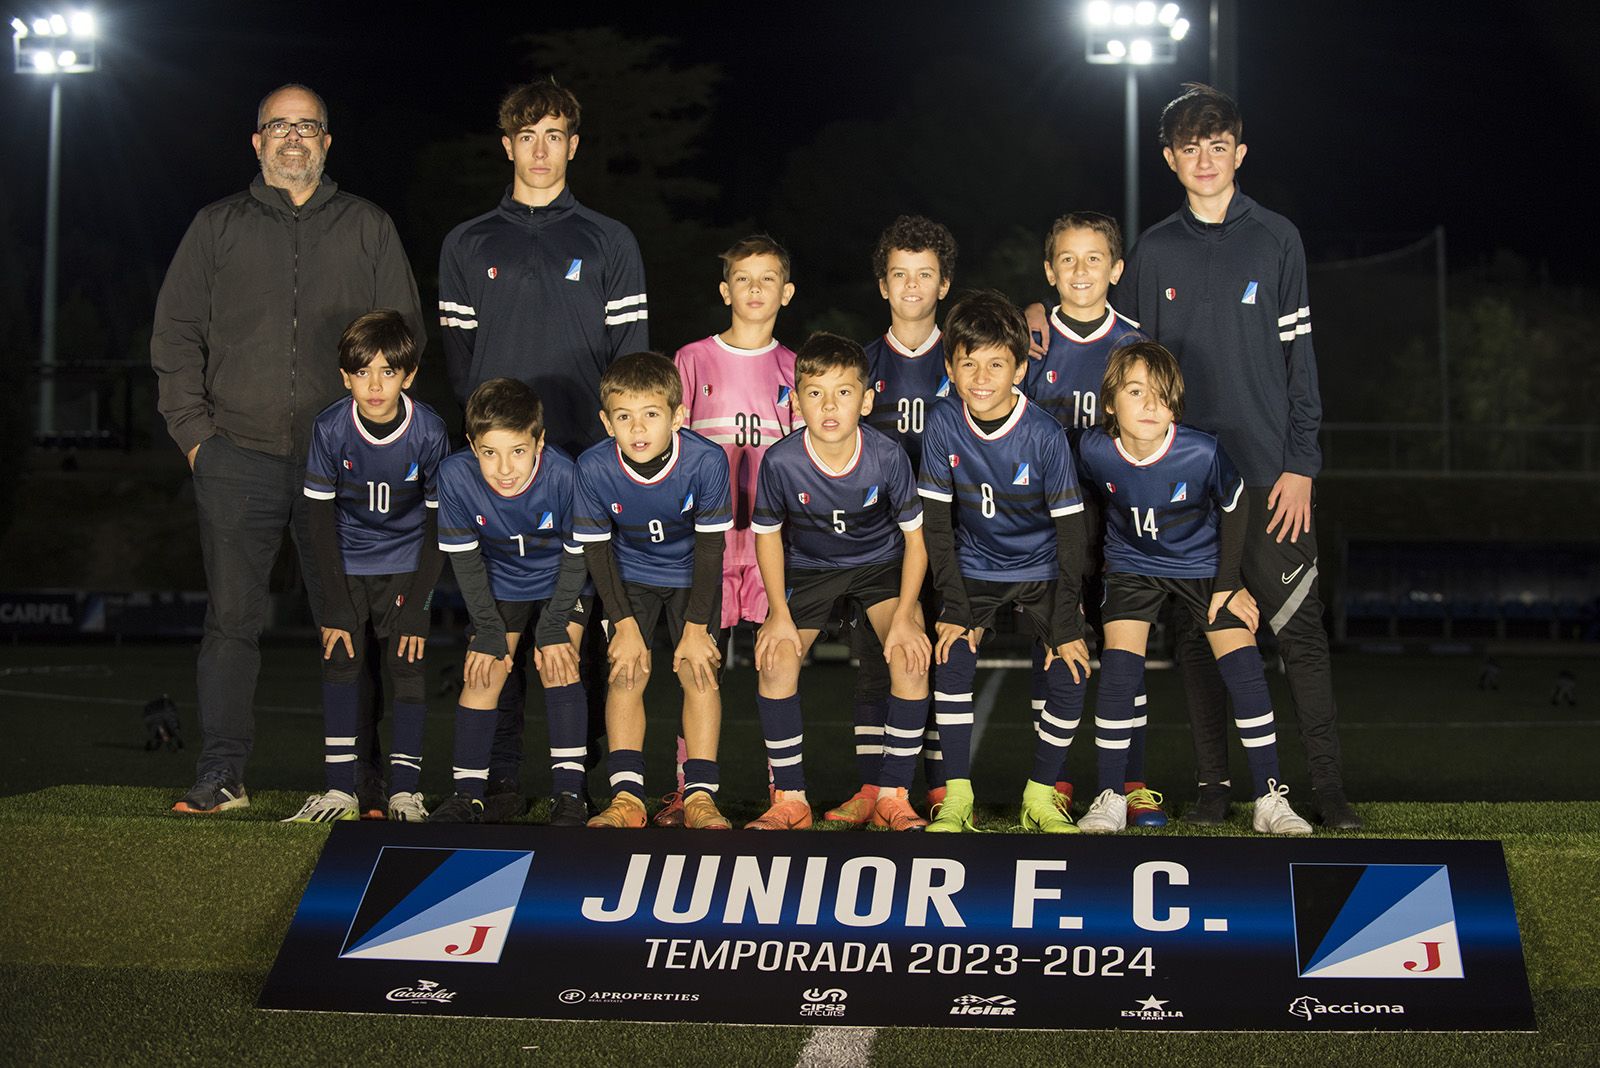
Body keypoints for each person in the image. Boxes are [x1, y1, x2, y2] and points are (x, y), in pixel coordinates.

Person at [152, 84, 424, 813]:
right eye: (280, 126)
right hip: (235, 457)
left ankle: (364, 780)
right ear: (257, 140)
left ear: (328, 142)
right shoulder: (216, 227)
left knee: (356, 621)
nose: (293, 138)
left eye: (308, 127)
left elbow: (403, 338)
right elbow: (175, 336)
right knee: (232, 621)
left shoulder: (368, 226)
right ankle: (222, 774)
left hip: (344, 467)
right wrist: (195, 439)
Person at [1113, 83, 1361, 830]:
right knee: (1200, 635)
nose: (1206, 160)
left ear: (1240, 152)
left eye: (1218, 146)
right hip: (1186, 487)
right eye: (1190, 148)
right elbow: (1135, 372)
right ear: (1170, 159)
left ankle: (1325, 791)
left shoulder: (1277, 237)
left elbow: (1300, 361)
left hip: (1268, 477)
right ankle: (1217, 788)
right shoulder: (1154, 249)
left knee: (1300, 632)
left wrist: (1301, 462)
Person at [437, 78, 649, 817]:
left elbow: (631, 364)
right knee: (495, 627)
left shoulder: (608, 240)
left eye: (554, 135)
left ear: (574, 146)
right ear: (507, 145)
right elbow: (460, 365)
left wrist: (609, 456)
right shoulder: (466, 243)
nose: (540, 150)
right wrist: (489, 450)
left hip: (584, 466)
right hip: (500, 470)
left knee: (573, 628)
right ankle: (496, 782)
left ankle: (573, 781)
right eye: (526, 136)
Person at [1072, 341, 1312, 835]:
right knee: (1119, 670)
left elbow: (1237, 504)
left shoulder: (1201, 450)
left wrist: (1228, 584)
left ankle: (1270, 797)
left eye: (1161, 395)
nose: (1150, 405)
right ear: (1110, 401)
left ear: (1175, 405)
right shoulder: (1090, 448)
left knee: (1244, 666)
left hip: (1202, 566)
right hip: (1132, 565)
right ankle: (1110, 795)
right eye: (1135, 392)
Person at [917, 290, 1093, 833]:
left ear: (1020, 369)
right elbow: (938, 526)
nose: (981, 376)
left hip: (1041, 566)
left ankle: (1040, 796)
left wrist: (1065, 622)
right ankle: (958, 797)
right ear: (949, 367)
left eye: (996, 363)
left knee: (1072, 662)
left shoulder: (1043, 434)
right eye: (967, 363)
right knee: (949, 656)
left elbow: (1071, 536)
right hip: (975, 567)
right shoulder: (943, 423)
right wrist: (951, 604)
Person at [745, 333, 933, 831]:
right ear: (796, 399)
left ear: (867, 400)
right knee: (775, 659)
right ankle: (790, 799)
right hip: (808, 566)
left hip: (879, 563)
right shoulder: (782, 461)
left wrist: (909, 617)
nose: (829, 406)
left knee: (910, 657)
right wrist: (778, 616)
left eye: (844, 393)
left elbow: (917, 541)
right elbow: (767, 538)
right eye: (815, 393)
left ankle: (893, 795)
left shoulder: (887, 455)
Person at [1020, 212, 1165, 827]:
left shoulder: (1136, 344)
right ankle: (1051, 784)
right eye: (1068, 260)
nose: (1082, 271)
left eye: (1095, 258)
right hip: (1047, 524)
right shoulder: (1026, 341)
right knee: (1056, 647)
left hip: (1119, 524)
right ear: (1050, 271)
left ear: (1117, 269)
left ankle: (1130, 780)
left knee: (1124, 651)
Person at [286, 311, 448, 823]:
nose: (375, 385)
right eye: (362, 372)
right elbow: (316, 518)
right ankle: (340, 791)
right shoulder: (331, 428)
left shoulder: (429, 432)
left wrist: (421, 604)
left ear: (409, 374)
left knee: (408, 667)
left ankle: (405, 793)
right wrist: (334, 599)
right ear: (344, 377)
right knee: (341, 663)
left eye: (387, 371)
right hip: (347, 566)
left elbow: (439, 526)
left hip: (406, 567)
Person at [661, 235, 798, 826]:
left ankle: (783, 794)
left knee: (777, 659)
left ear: (786, 293)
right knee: (700, 665)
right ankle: (695, 792)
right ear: (725, 289)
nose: (755, 289)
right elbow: (672, 450)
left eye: (768, 279)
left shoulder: (795, 369)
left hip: (767, 548)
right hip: (708, 548)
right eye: (743, 278)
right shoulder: (691, 360)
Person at [572, 353, 733, 829]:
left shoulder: (705, 461)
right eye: (624, 417)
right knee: (625, 671)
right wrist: (622, 625)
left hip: (692, 575)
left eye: (651, 414)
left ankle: (700, 795)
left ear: (678, 416)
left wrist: (696, 627)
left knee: (699, 669)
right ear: (606, 422)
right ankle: (627, 797)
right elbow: (597, 554)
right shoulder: (594, 466)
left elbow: (711, 550)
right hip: (630, 575)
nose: (637, 428)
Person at [833, 215, 958, 824]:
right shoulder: (858, 366)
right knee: (876, 664)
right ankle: (871, 787)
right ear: (882, 285)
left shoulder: (968, 364)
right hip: (878, 545)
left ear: (944, 284)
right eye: (900, 274)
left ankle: (933, 784)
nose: (912, 286)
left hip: (953, 540)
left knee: (940, 660)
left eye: (925, 275)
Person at [432, 378, 592, 825]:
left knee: (559, 662)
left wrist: (555, 623)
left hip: (563, 581)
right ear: (471, 445)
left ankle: (569, 795)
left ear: (540, 440)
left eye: (518, 451)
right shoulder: (456, 477)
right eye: (490, 452)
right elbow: (466, 564)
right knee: (484, 671)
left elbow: (578, 560)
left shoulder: (565, 475)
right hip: (500, 584)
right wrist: (487, 629)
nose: (504, 468)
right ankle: (468, 794)